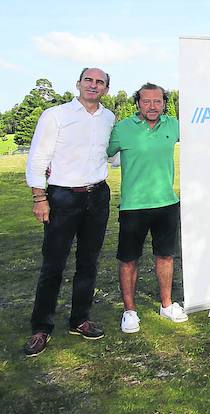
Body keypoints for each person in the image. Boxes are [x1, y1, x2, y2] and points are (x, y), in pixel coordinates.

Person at [24, 68, 115, 356]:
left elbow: (112, 156)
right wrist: (40, 196)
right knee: (53, 264)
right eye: (88, 80)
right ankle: (42, 327)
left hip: (97, 196)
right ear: (78, 84)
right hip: (62, 197)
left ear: (106, 89)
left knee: (88, 262)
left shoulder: (109, 118)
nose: (93, 85)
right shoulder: (56, 115)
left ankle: (80, 320)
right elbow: (38, 156)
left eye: (99, 82)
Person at [107, 83, 186, 333]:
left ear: (164, 103)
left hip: (167, 203)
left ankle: (166, 305)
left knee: (166, 256)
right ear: (138, 103)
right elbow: (99, 154)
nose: (152, 106)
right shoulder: (122, 129)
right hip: (133, 206)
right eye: (147, 102)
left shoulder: (174, 125)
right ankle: (130, 312)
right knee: (129, 259)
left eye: (158, 101)